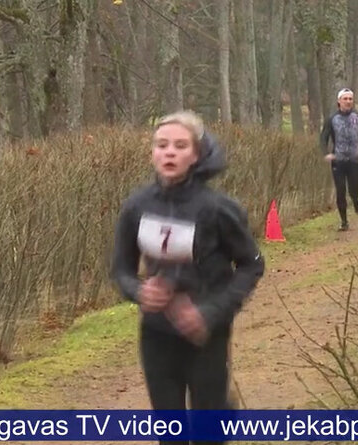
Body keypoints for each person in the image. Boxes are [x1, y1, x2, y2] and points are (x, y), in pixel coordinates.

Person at [110, 110, 265, 444]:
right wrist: (139, 291)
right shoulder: (136, 206)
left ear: (196, 155)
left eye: (180, 146)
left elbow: (252, 264)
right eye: (161, 145)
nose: (169, 152)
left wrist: (209, 312)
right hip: (156, 334)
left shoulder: (219, 209)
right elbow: (120, 270)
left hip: (206, 335)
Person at [319, 88, 358, 231]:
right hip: (338, 160)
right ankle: (344, 221)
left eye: (350, 99)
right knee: (340, 191)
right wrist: (326, 153)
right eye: (345, 99)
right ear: (339, 101)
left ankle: (355, 199)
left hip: (355, 160)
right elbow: (323, 138)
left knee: (354, 189)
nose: (348, 101)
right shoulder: (332, 119)